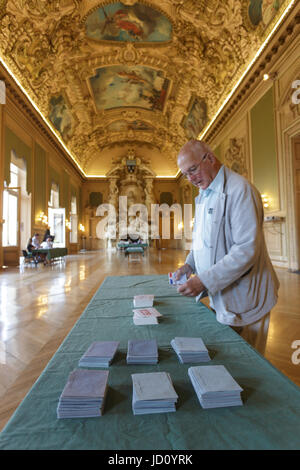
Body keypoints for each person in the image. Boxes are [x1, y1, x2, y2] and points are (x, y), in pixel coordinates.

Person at [175, 139, 279, 355]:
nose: (191, 178)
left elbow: (246, 250)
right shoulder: (204, 194)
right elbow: (201, 240)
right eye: (186, 174)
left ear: (210, 158)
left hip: (247, 297)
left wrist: (203, 280)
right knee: (230, 361)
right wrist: (188, 266)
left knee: (249, 363)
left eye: (193, 169)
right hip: (221, 295)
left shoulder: (240, 189)